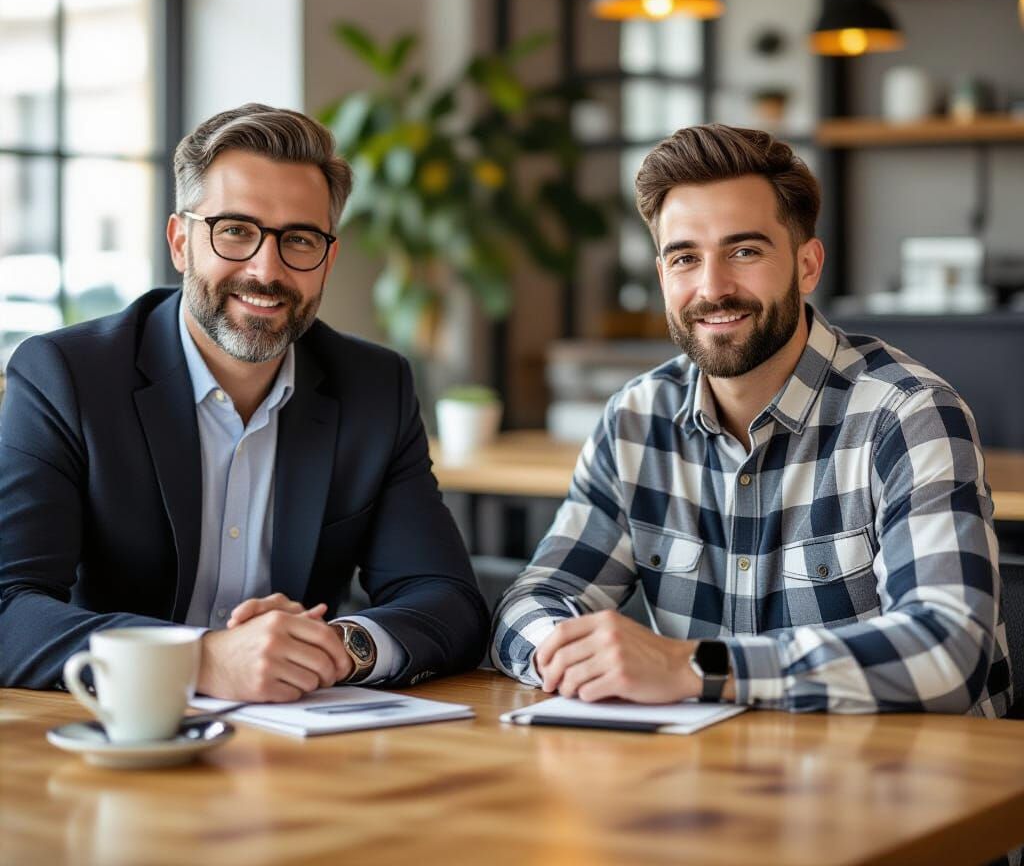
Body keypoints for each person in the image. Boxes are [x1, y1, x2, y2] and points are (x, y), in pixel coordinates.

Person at [492, 124, 1012, 716]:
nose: (712, 288)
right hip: (719, 783)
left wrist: (693, 668)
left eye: (745, 251)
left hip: (906, 786)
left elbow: (947, 652)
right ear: (663, 276)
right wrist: (565, 653)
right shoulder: (636, 419)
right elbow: (534, 600)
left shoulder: (907, 413)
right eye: (685, 258)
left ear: (807, 264)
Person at [0, 103, 488, 700]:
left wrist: (337, 647)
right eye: (235, 230)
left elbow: (449, 601)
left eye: (300, 240)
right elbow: (8, 609)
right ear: (181, 242)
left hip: (297, 746)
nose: (266, 269)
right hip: (118, 740)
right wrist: (201, 659)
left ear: (327, 261)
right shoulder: (67, 376)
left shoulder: (373, 387)